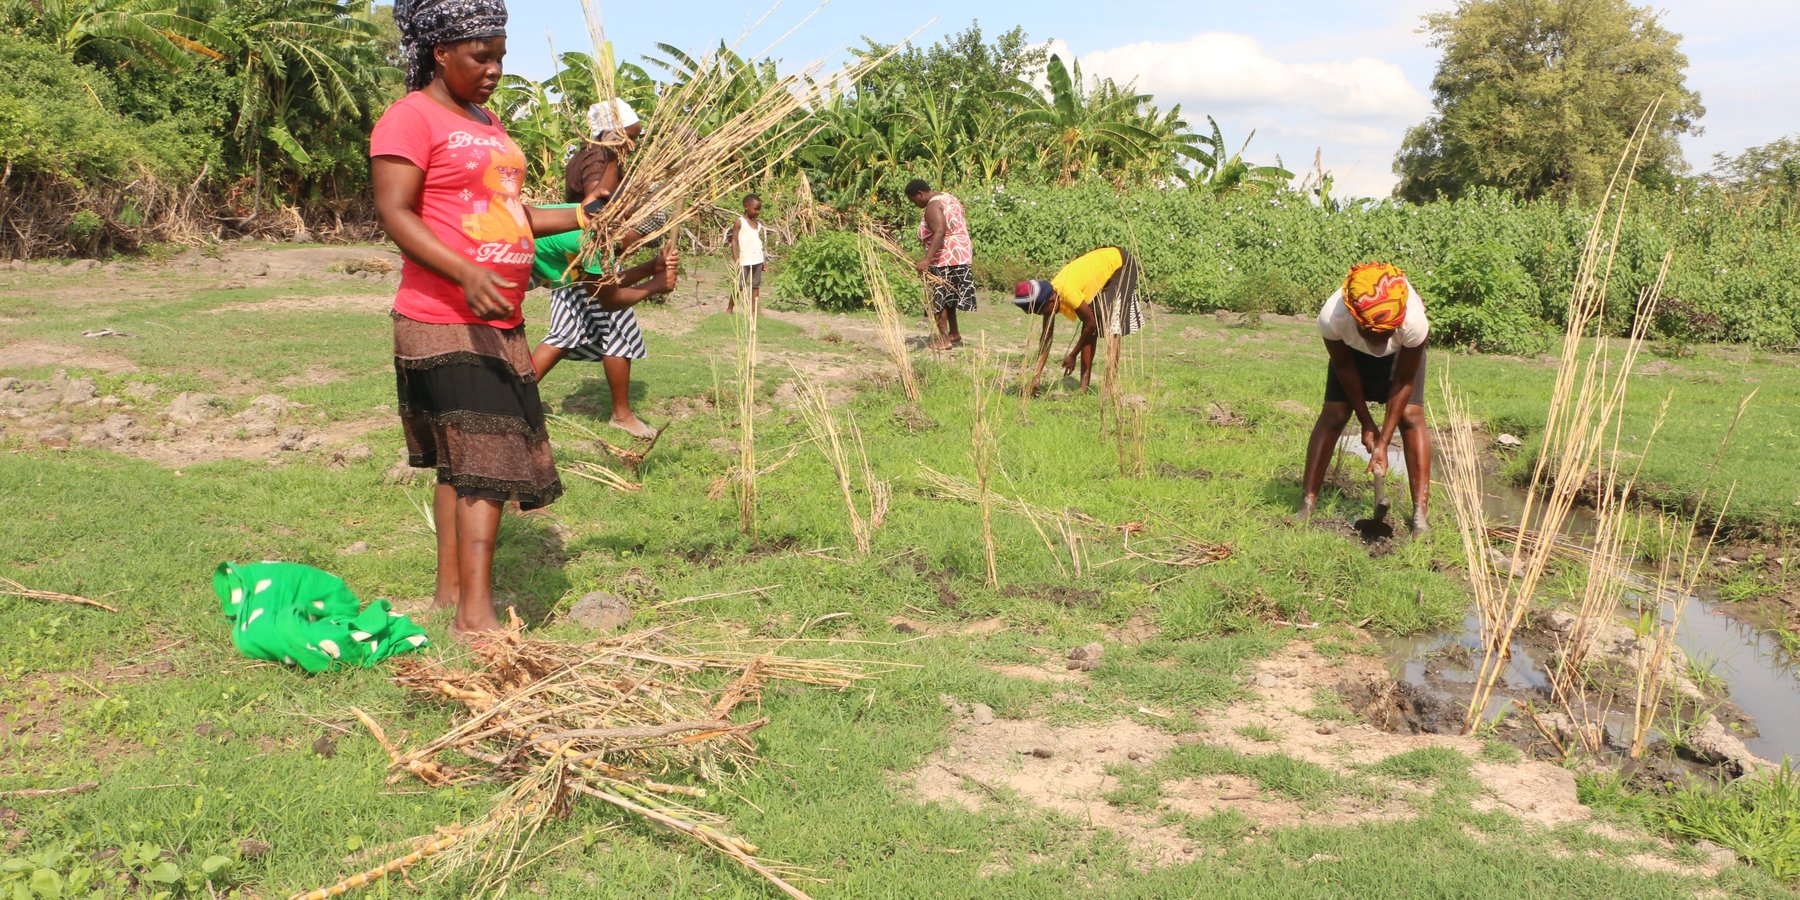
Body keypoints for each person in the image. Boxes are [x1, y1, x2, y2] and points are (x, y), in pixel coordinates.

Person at [371, 0, 587, 639]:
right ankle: (477, 619)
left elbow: (512, 215)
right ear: (440, 52)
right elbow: (396, 212)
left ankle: (448, 600)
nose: (494, 68)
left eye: (500, 55)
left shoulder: (488, 122)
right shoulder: (409, 118)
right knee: (488, 460)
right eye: (480, 56)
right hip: (442, 317)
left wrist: (583, 215)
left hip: (499, 317)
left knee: (460, 463)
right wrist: (466, 273)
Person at [1296, 262, 1432, 534]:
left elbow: (1404, 380)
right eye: (1370, 333)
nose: (1376, 342)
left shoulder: (1413, 322)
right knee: (1334, 412)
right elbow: (1344, 368)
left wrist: (1383, 442)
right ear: (1356, 320)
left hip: (1401, 355)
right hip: (1350, 355)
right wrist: (1367, 422)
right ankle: (1307, 502)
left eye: (1384, 334)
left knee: (1411, 415)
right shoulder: (1333, 319)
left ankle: (1420, 515)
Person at [529, 206, 679, 439]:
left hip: (524, 276)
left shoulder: (599, 227)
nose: (632, 248)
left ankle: (514, 400)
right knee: (617, 333)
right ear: (627, 223)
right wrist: (656, 285)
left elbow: (604, 283)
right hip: (497, 271)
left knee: (566, 333)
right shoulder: (596, 239)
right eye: (637, 240)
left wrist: (651, 268)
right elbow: (610, 300)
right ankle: (621, 416)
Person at [1013, 247, 1145, 393]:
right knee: (1091, 321)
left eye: (1043, 312)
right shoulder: (1049, 295)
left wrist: (1073, 354)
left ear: (1052, 300)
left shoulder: (1067, 291)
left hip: (1121, 265)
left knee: (1109, 323)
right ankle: (1084, 387)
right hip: (1102, 262)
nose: (1045, 315)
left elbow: (1091, 324)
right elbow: (1046, 338)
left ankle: (1109, 387)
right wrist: (1036, 375)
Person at [906, 178, 976, 350]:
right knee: (950, 296)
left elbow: (939, 231)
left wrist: (927, 260)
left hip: (944, 257)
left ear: (920, 194)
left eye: (914, 200)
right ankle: (954, 333)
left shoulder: (932, 205)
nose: (916, 204)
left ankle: (943, 339)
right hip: (959, 255)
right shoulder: (948, 197)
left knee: (939, 299)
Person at [565, 98, 642, 211]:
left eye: (635, 138)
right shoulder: (597, 156)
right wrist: (612, 160)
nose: (632, 145)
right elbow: (594, 208)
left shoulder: (601, 154)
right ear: (609, 134)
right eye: (629, 137)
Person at [725, 193, 766, 314]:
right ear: (746, 207)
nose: (757, 212)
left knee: (755, 286)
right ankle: (730, 308)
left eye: (759, 209)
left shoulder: (758, 225)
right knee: (740, 285)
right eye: (755, 209)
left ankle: (753, 311)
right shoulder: (740, 222)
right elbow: (734, 240)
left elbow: (758, 244)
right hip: (744, 259)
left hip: (758, 259)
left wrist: (763, 260)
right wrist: (735, 257)